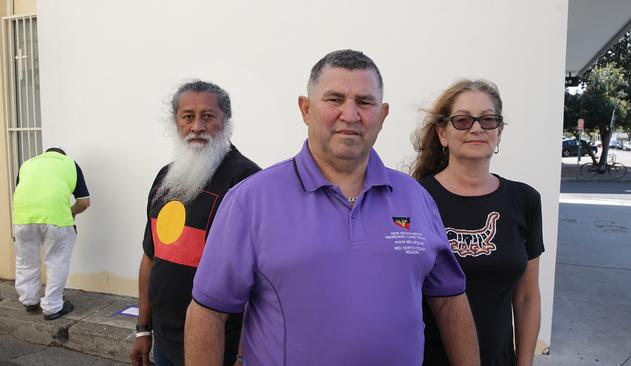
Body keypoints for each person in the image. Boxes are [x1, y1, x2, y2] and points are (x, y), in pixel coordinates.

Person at [185, 50, 479, 366]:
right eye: (335, 99)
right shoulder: (251, 201)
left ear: (383, 115)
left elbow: (449, 300)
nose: (350, 115)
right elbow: (208, 312)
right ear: (306, 109)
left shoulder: (416, 198)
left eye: (365, 103)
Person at [411, 79, 544, 366]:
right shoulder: (414, 198)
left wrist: (524, 363)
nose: (476, 128)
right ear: (442, 133)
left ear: (499, 131)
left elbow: (527, 297)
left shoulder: (525, 200)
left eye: (487, 119)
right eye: (462, 120)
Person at [129, 80, 261, 366]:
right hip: (164, 341)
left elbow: (259, 277)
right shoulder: (166, 178)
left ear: (225, 122)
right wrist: (143, 329)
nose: (197, 126)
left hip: (219, 345)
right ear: (175, 122)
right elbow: (151, 258)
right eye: (188, 116)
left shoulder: (247, 179)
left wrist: (243, 353)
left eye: (208, 116)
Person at [12, 147, 90, 320]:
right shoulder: (69, 163)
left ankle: (29, 300)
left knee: (26, 261)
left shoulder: (27, 164)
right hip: (56, 220)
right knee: (57, 261)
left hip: (23, 218)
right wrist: (71, 212)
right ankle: (52, 307)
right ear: (62, 155)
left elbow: (20, 192)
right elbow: (84, 202)